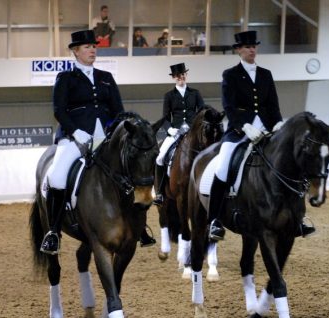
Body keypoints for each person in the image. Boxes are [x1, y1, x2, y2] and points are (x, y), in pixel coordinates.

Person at [40, 29, 154, 255]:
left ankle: (139, 227)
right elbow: (59, 111)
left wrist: (120, 132)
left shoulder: (106, 78)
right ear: (75, 51)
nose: (92, 50)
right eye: (87, 47)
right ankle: (53, 232)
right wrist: (75, 132)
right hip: (75, 139)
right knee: (57, 176)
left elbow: (118, 111)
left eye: (94, 46)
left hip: (107, 138)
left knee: (131, 168)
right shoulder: (66, 78)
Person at [207, 30, 314, 241]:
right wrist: (244, 126)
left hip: (267, 131)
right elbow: (229, 107)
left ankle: (298, 217)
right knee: (222, 167)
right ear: (238, 50)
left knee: (290, 164)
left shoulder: (266, 74)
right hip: (240, 132)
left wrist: (279, 124)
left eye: (254, 46)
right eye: (247, 47)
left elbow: (273, 106)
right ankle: (215, 220)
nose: (252, 50)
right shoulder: (230, 75)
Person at [153, 63, 205, 206]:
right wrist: (170, 129)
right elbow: (165, 116)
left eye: (183, 74)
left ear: (186, 75)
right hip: (175, 132)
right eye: (178, 76)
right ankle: (159, 192)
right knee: (160, 157)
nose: (181, 77)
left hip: (193, 131)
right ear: (174, 78)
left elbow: (202, 112)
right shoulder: (169, 96)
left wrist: (197, 127)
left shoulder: (195, 93)